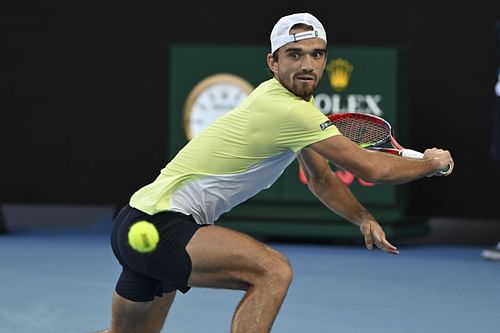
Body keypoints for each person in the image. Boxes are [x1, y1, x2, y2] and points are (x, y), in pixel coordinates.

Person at [94, 12, 454, 333]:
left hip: (134, 222)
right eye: (295, 55)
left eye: (317, 54)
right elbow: (371, 168)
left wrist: (361, 217)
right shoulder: (289, 112)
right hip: (164, 224)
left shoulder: (295, 105)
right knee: (272, 271)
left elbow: (320, 179)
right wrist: (431, 163)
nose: (308, 64)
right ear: (273, 62)